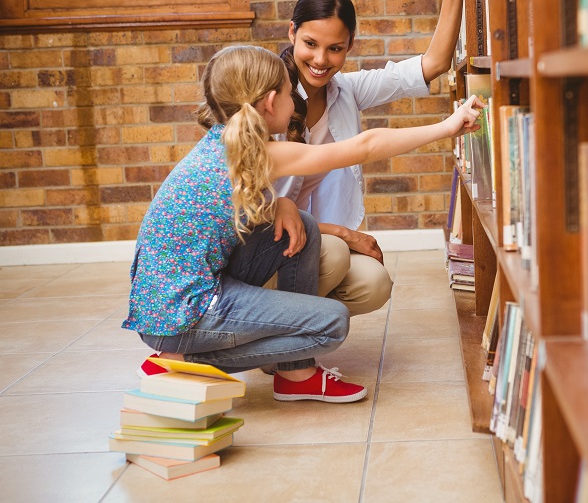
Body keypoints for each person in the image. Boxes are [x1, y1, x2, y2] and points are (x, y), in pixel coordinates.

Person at [123, 45, 483, 403]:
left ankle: (296, 375)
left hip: (174, 302)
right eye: (288, 92)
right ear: (269, 102)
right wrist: (448, 126)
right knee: (331, 322)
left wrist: (281, 203)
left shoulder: (224, 144)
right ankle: (180, 363)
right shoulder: (259, 153)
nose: (296, 102)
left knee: (304, 226)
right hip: (183, 315)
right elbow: (368, 146)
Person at [272, 0, 465, 318]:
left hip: (314, 245)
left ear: (350, 46)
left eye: (335, 48)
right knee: (339, 252)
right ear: (292, 33)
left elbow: (433, 64)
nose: (321, 60)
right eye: (310, 44)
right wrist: (343, 233)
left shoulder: (349, 90)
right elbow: (256, 213)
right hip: (268, 245)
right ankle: (280, 338)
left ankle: (289, 328)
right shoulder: (267, 99)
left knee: (373, 283)